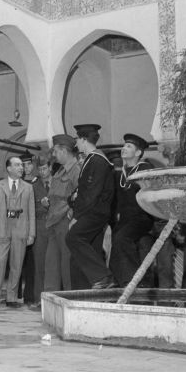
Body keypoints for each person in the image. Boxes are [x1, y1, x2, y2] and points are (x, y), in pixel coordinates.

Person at [66, 124, 116, 290]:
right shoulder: (92, 160)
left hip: (94, 212)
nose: (76, 144)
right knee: (90, 248)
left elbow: (90, 194)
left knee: (73, 237)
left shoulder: (96, 160)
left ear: (84, 139)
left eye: (77, 140)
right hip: (95, 211)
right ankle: (89, 288)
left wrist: (76, 217)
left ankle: (103, 276)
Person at [0, 156, 35, 308]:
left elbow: (31, 213)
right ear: (8, 168)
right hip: (1, 229)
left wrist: (31, 233)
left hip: (21, 230)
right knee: (0, 263)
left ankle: (11, 298)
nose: (21, 168)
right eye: (17, 165)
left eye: (21, 165)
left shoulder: (28, 187)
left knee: (17, 264)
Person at [109, 133, 155, 288]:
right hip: (124, 219)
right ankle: (118, 282)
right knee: (116, 241)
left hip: (142, 218)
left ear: (138, 153)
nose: (124, 148)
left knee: (122, 238)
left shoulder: (145, 169)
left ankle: (131, 282)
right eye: (124, 145)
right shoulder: (119, 173)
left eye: (129, 146)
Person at [43, 134, 80, 295]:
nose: (54, 155)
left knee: (67, 263)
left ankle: (70, 298)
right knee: (51, 263)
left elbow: (81, 196)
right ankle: (50, 298)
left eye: (56, 151)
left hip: (65, 221)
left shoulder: (76, 170)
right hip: (53, 221)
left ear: (64, 151)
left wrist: (73, 215)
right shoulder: (59, 171)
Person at [30, 156, 52, 310]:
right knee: (40, 264)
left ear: (50, 168)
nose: (42, 171)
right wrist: (44, 206)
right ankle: (39, 298)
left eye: (45, 168)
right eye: (40, 169)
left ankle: (54, 297)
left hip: (56, 227)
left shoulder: (58, 182)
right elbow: (30, 208)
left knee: (54, 264)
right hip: (40, 226)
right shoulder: (33, 186)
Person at [18, 149, 37, 304]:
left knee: (32, 262)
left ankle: (29, 294)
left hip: (34, 226)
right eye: (23, 165)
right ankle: (15, 294)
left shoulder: (37, 182)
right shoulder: (17, 184)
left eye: (28, 164)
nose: (26, 168)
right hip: (18, 227)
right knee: (17, 262)